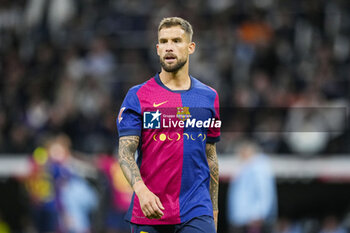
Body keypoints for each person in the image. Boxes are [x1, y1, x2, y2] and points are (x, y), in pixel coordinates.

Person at [116, 17, 221, 233]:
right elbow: (125, 152)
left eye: (176, 40)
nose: (169, 47)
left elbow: (210, 155)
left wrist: (214, 211)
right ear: (157, 49)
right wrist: (141, 191)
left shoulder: (209, 97)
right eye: (163, 42)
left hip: (196, 210)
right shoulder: (137, 96)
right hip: (151, 209)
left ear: (191, 47)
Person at [227, 141, 278, 233]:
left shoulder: (259, 168)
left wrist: (258, 213)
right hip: (243, 219)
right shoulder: (245, 168)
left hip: (253, 219)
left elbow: (265, 193)